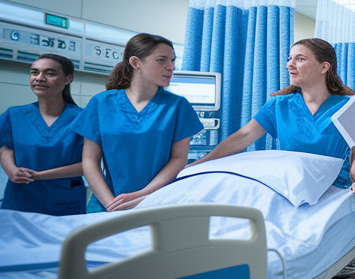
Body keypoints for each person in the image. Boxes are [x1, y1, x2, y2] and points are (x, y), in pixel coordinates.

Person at [194, 38, 355, 206]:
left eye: (300, 59)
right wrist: (199, 164)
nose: (290, 64)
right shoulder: (279, 105)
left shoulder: (349, 105)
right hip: (291, 189)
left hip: (335, 190)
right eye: (289, 58)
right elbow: (243, 136)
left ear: (324, 67)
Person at [71, 33, 203, 212]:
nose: (171, 67)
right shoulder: (101, 103)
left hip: (158, 202)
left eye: (172, 60)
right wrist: (111, 205)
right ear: (135, 63)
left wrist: (143, 196)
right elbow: (89, 161)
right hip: (107, 203)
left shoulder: (178, 106)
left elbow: (178, 159)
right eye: (161, 60)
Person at [0, 54, 86, 215]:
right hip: (20, 198)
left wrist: (40, 176)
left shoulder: (83, 119)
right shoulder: (14, 115)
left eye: (50, 73)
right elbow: (5, 147)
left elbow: (89, 164)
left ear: (68, 79)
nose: (39, 78)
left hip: (64, 200)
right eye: (34, 72)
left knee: (67, 240)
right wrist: (11, 170)